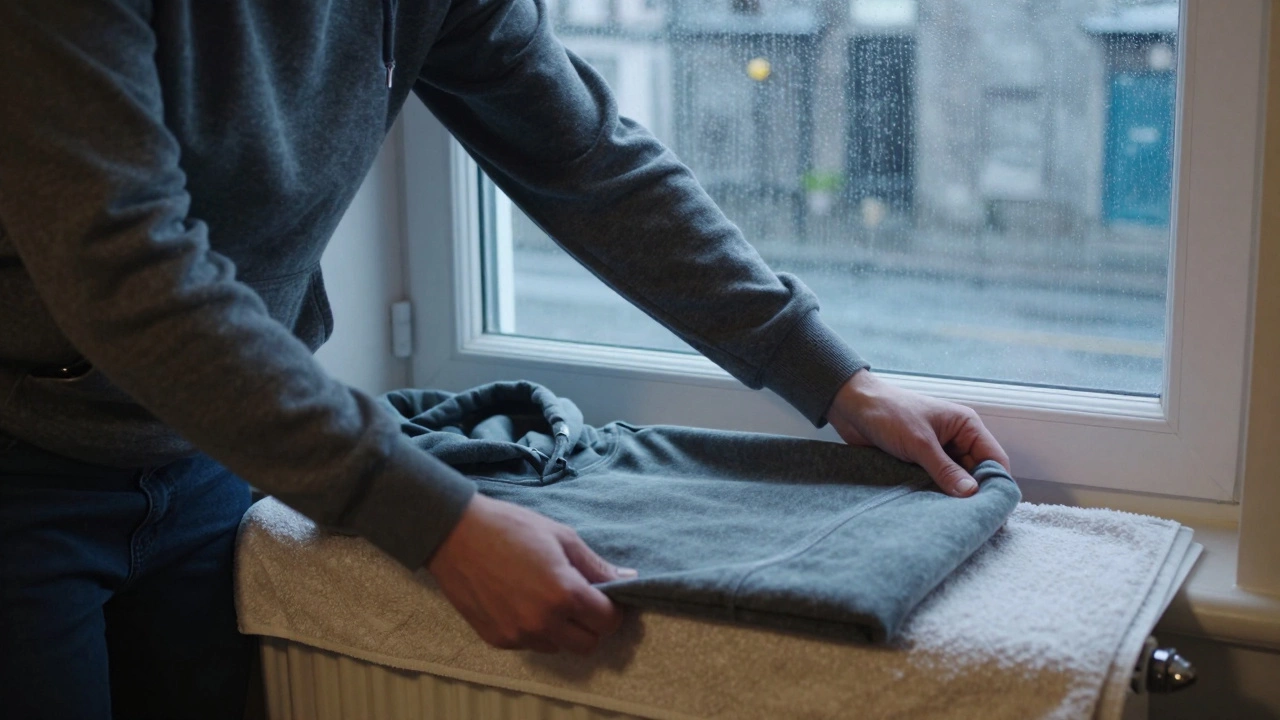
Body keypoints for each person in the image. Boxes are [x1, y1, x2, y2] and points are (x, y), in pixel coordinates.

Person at [0, 1, 1009, 717]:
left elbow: (586, 162)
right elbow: (125, 268)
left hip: (213, 451)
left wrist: (834, 378)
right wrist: (434, 522)